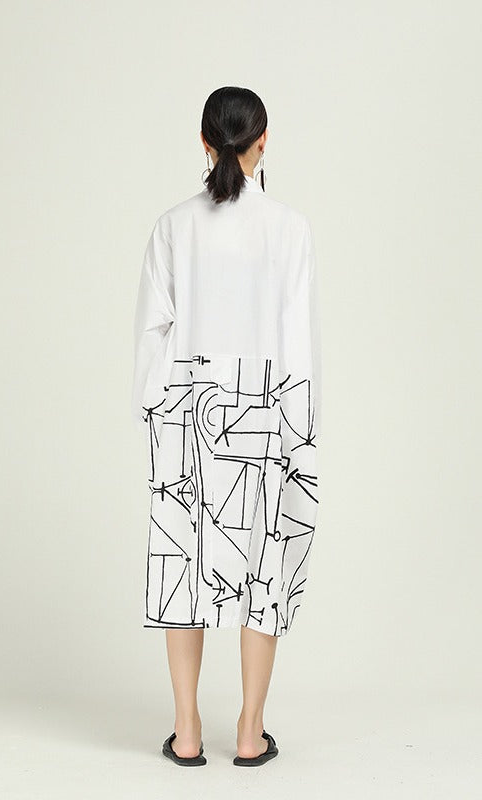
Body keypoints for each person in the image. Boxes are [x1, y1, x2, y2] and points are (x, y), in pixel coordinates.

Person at [131, 86, 323, 767]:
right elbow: (298, 341)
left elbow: (152, 333)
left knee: (182, 567)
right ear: (263, 141)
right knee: (263, 568)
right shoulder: (289, 228)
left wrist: (157, 414)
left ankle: (187, 731)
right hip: (266, 407)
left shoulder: (172, 226)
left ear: (205, 142)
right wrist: (302, 430)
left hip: (185, 406)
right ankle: (248, 731)